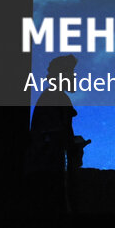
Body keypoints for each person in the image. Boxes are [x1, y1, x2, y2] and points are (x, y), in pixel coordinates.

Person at [25, 54, 82, 212]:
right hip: (46, 173)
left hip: (46, 171)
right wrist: (72, 145)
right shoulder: (55, 98)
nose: (74, 77)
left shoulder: (54, 97)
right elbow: (55, 136)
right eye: (71, 73)